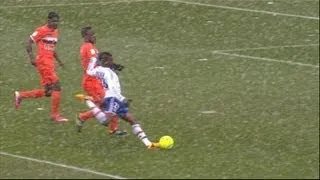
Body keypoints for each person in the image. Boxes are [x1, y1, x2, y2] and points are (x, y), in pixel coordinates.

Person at [75, 52, 159, 149]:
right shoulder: (105, 71)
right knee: (106, 121)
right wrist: (123, 98)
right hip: (111, 98)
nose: (112, 62)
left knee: (132, 120)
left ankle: (148, 144)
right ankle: (88, 101)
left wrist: (94, 60)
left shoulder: (103, 71)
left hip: (115, 99)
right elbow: (112, 88)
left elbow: (89, 71)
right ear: (103, 61)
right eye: (110, 60)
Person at [14, 12, 68, 122]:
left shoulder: (55, 32)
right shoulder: (41, 30)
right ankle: (55, 115)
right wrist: (32, 58)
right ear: (48, 21)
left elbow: (52, 48)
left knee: (48, 92)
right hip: (43, 63)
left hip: (50, 63)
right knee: (57, 86)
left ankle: (21, 95)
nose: (55, 23)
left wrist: (59, 61)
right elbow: (28, 43)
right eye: (53, 21)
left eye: (57, 21)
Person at [78, 27, 124, 134]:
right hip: (91, 81)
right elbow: (98, 61)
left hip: (95, 80)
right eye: (91, 35)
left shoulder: (90, 47)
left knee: (108, 102)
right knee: (108, 102)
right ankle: (83, 117)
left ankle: (112, 128)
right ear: (85, 36)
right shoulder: (89, 48)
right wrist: (113, 66)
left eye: (94, 34)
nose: (94, 36)